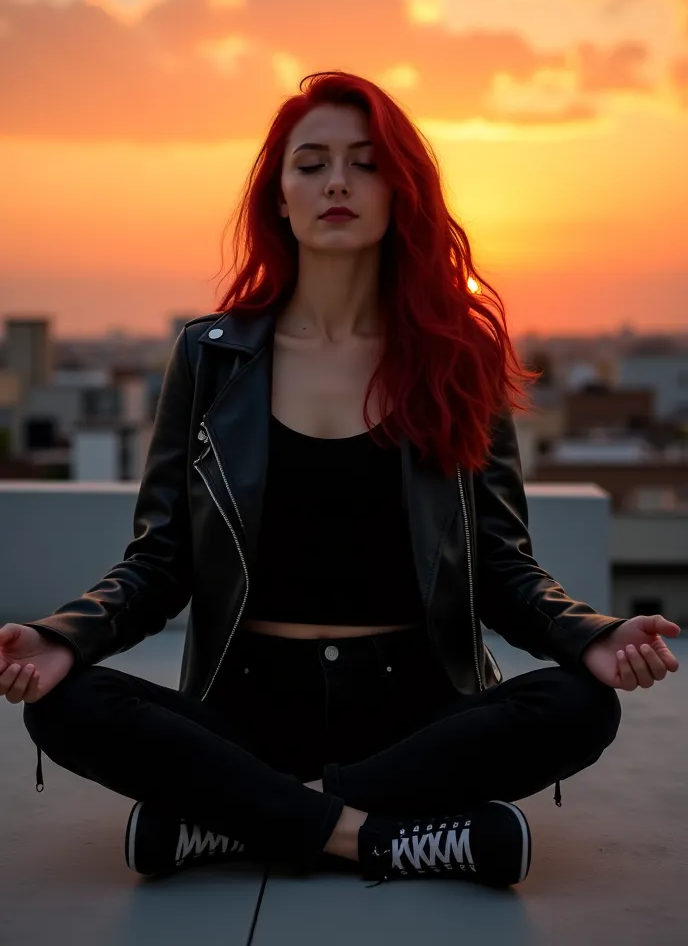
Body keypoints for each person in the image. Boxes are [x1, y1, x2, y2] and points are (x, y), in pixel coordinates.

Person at [1, 71, 680, 890]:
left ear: (401, 194)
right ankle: (390, 837)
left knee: (581, 706)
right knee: (65, 704)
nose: (336, 182)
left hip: (415, 716)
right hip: (248, 709)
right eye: (311, 162)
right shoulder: (211, 357)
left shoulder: (453, 358)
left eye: (365, 164)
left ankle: (242, 823)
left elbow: (500, 568)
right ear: (278, 198)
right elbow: (161, 563)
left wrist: (593, 636)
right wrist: (63, 635)